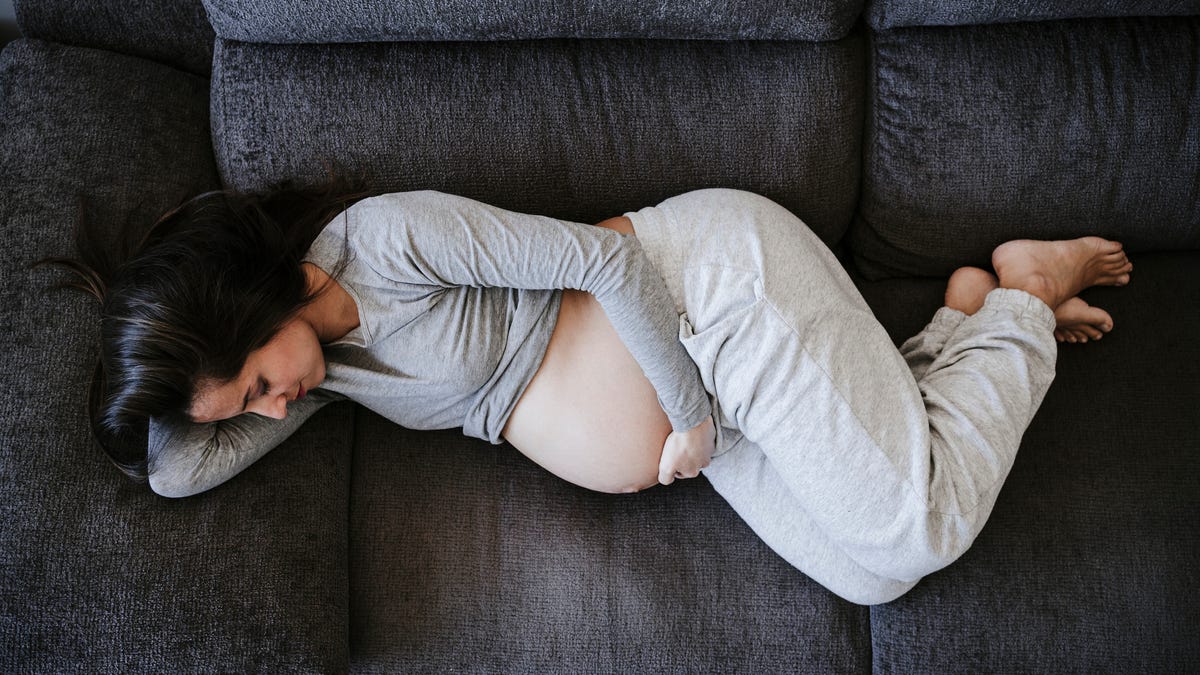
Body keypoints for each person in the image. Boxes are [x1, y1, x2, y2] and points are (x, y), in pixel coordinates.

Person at [35, 172, 1132, 605]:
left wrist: (693, 419)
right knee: (870, 577)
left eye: (260, 384)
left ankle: (1024, 296)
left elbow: (601, 263)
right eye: (254, 411)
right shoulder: (320, 381)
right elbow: (177, 471)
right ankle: (959, 330)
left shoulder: (386, 242)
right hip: (707, 398)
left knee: (918, 527)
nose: (274, 412)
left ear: (249, 306)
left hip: (714, 299)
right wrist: (164, 380)